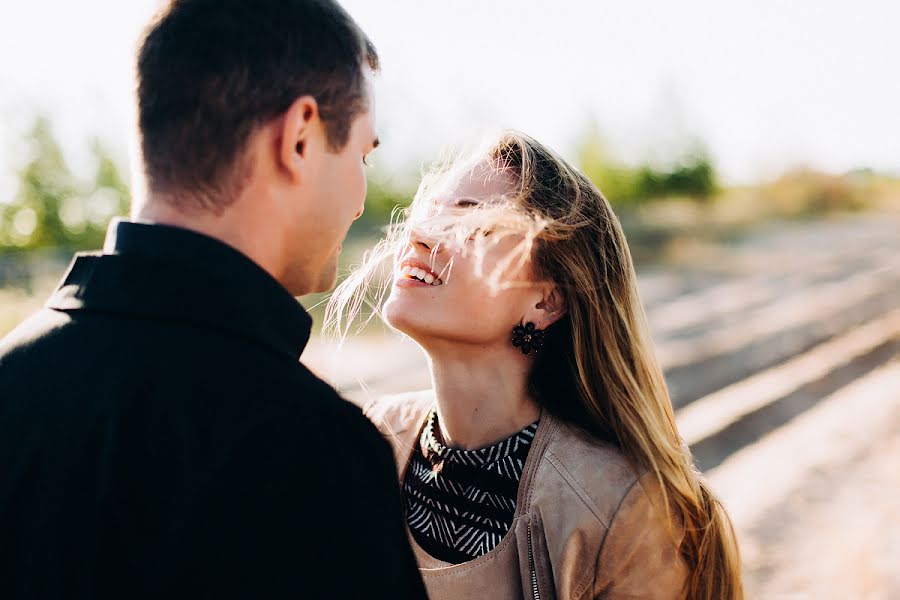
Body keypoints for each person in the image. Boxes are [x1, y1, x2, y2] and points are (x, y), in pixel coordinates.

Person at [0, 1, 426, 598]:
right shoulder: (312, 453)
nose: (360, 198)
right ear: (300, 137)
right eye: (362, 154)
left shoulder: (11, 382)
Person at [328, 131, 744, 599]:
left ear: (546, 301)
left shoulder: (618, 510)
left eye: (471, 226)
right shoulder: (370, 440)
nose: (420, 235)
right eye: (428, 215)